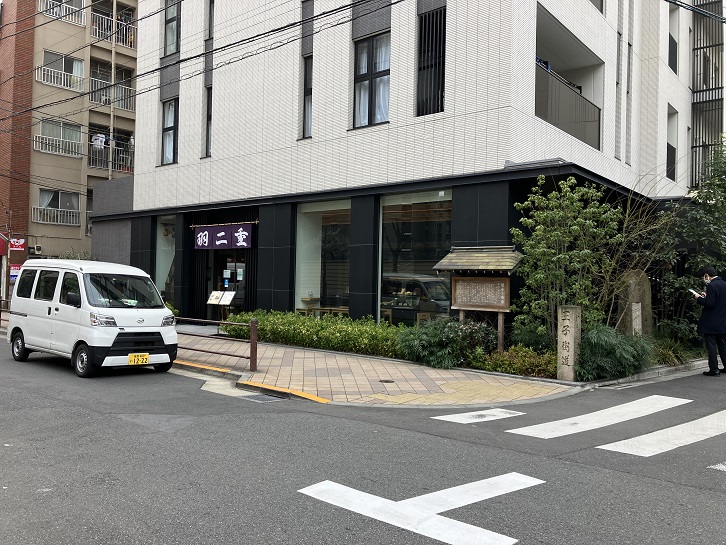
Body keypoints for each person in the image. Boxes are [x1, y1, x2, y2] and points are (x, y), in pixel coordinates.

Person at [692, 266, 726, 376]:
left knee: (711, 346)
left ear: (707, 275)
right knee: (722, 345)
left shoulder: (712, 285)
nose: (703, 279)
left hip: (711, 322)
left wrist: (698, 298)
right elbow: (718, 300)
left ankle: (714, 369)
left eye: (703, 276)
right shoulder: (724, 284)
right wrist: (707, 296)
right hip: (722, 321)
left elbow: (710, 304)